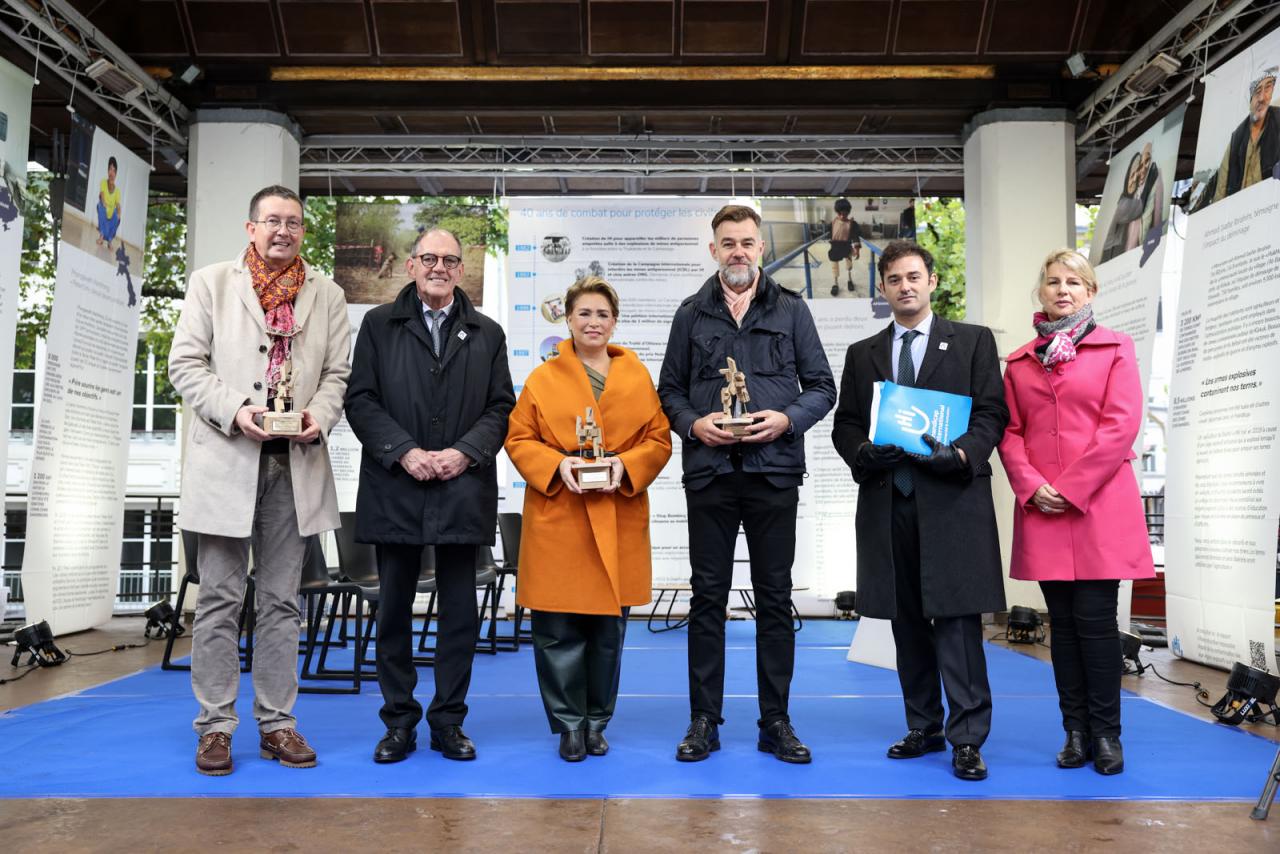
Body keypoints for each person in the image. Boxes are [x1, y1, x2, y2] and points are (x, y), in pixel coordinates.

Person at [169, 185, 352, 776]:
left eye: (293, 223)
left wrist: (316, 418)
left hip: (291, 467)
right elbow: (185, 365)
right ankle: (215, 728)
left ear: (304, 232)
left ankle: (277, 724)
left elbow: (337, 374)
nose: (282, 230)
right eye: (271, 220)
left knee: (281, 603)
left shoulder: (328, 294)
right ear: (251, 228)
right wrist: (236, 410)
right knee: (220, 599)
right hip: (227, 459)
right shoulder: (211, 283)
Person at [658, 204, 836, 764]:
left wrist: (787, 419)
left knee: (776, 599)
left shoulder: (792, 310)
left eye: (747, 242)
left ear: (762, 248)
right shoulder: (691, 313)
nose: (738, 251)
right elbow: (669, 393)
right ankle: (703, 720)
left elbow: (822, 387)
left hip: (773, 471)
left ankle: (775, 721)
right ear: (713, 251)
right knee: (707, 598)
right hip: (709, 474)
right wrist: (694, 424)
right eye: (727, 242)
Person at [831, 239, 1008, 782]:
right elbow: (846, 423)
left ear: (932, 282)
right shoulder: (863, 353)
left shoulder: (974, 342)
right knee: (906, 622)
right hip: (890, 501)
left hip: (952, 501)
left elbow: (992, 413)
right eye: (894, 280)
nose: (904, 287)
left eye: (913, 277)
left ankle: (967, 737)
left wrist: (960, 453)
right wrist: (862, 451)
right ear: (882, 289)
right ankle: (924, 725)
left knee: (956, 622)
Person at [345, 227, 515, 764]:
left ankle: (448, 722)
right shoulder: (377, 325)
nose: (439, 267)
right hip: (396, 485)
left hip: (462, 487)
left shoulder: (487, 333)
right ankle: (398, 722)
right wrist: (404, 451)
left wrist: (463, 452)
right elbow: (361, 400)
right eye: (429, 258)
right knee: (393, 610)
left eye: (449, 260)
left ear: (461, 270)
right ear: (411, 266)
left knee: (460, 615)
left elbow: (500, 408)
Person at [998, 249, 1155, 776]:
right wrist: (1032, 485)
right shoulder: (1019, 363)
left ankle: (1107, 735)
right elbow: (1010, 433)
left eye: (1073, 282)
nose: (1061, 290)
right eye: (1052, 282)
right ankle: (1075, 731)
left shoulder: (1116, 348)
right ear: (1041, 293)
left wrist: (1070, 486)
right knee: (1060, 627)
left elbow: (1121, 426)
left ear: (1090, 292)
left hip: (1098, 508)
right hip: (1042, 507)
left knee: (1095, 622)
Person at [505, 276, 672, 762]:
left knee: (607, 632)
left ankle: (598, 722)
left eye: (602, 314)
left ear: (614, 321)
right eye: (584, 314)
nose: (593, 322)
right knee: (557, 629)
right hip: (559, 514)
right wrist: (558, 465)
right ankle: (568, 725)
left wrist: (624, 465)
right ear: (568, 320)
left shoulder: (638, 376)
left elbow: (658, 440)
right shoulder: (542, 378)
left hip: (616, 511)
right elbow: (519, 439)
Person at [1212, 64, 1278, 204]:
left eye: (1268, 88)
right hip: (1242, 217)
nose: (1262, 97)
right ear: (1249, 99)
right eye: (1257, 91)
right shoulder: (1236, 138)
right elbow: (1221, 189)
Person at [1098, 153, 1144, 263]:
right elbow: (1131, 213)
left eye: (1137, 176)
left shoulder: (1127, 200)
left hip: (1117, 249)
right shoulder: (1124, 203)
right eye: (1132, 175)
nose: (1134, 179)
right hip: (1112, 250)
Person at [828, 198, 862, 296]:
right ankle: (835, 283)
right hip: (835, 247)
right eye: (840, 214)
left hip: (846, 246)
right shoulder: (833, 223)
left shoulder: (852, 224)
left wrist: (857, 249)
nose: (843, 216)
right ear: (837, 212)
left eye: (845, 214)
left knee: (849, 264)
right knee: (834, 266)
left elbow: (856, 236)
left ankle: (849, 279)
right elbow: (829, 233)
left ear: (848, 213)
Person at [96, 156, 121, 249]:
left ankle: (110, 241)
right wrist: (104, 202)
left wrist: (119, 213)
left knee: (117, 216)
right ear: (107, 171)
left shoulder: (117, 191)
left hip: (111, 216)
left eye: (114, 170)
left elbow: (118, 205)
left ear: (116, 173)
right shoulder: (103, 182)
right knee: (100, 205)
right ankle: (101, 236)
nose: (112, 172)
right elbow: (102, 194)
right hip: (104, 211)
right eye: (110, 169)